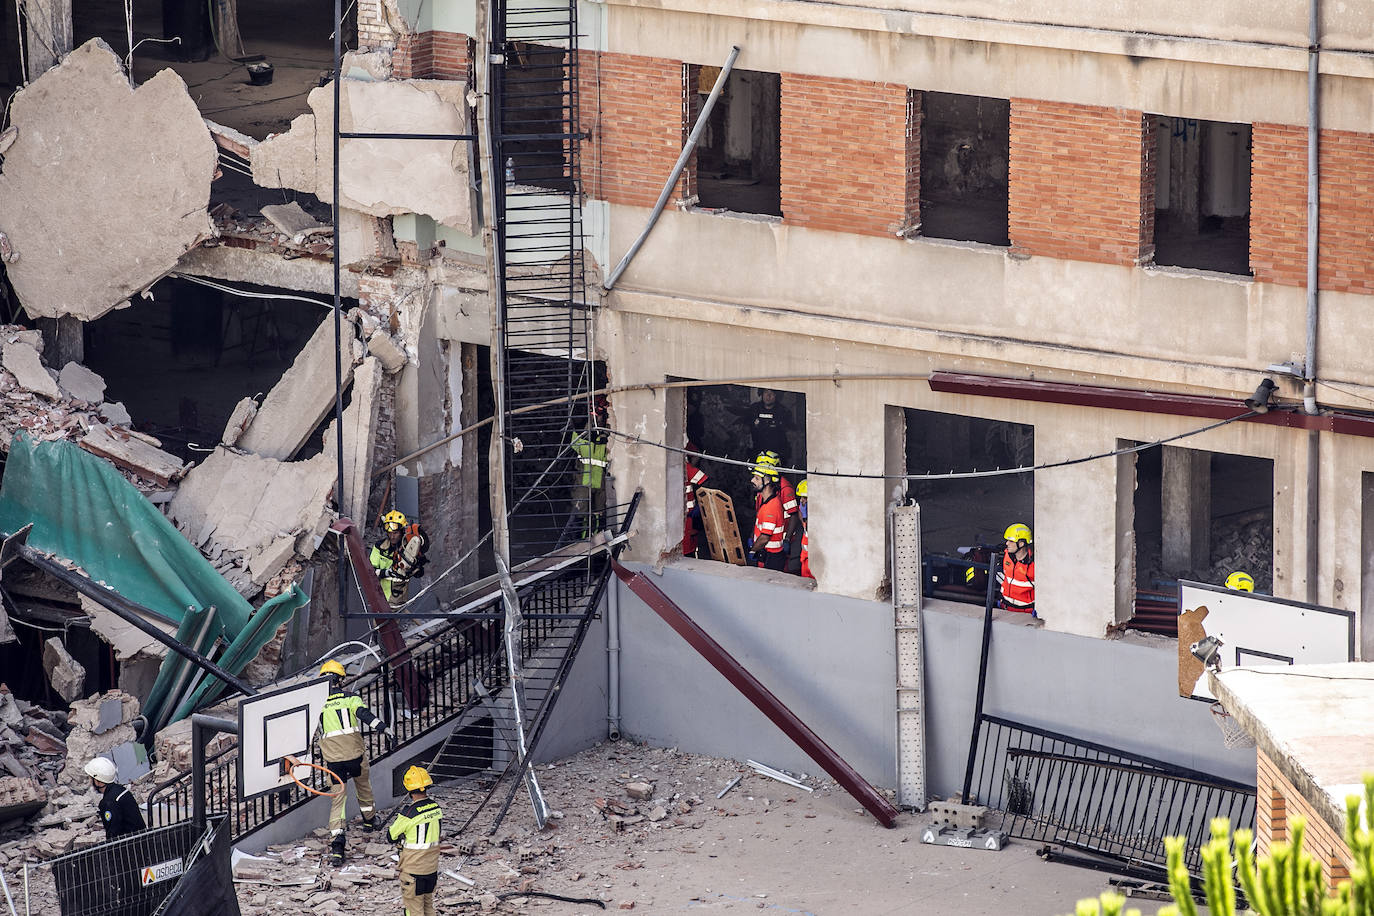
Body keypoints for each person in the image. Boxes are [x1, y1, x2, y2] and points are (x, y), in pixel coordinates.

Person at [316, 659, 390, 865]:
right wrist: (384, 728)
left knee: (338, 800)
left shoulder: (317, 704)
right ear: (340, 680)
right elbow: (364, 715)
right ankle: (369, 821)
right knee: (363, 786)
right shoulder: (351, 698)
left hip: (333, 761)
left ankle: (337, 847)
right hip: (355, 755)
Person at [388, 766, 443, 916]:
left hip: (413, 871)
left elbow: (391, 836)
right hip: (431, 868)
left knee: (414, 910)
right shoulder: (436, 808)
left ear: (409, 789)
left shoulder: (409, 813)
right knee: (428, 906)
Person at [568, 396, 610, 539]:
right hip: (583, 479)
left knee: (600, 515)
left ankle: (598, 548)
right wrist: (589, 429)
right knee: (580, 514)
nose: (596, 415)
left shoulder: (608, 429)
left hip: (601, 481)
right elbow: (575, 444)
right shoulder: (582, 426)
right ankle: (579, 546)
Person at [370, 510, 427, 608]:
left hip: (397, 597)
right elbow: (370, 571)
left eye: (395, 533)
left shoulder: (409, 550)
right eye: (389, 533)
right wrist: (387, 573)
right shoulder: (379, 547)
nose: (392, 536)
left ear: (402, 531)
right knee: (380, 622)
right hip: (379, 596)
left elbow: (419, 573)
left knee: (391, 622)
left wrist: (414, 567)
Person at [84, 756, 145, 840]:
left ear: (98, 781)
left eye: (91, 778)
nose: (90, 782)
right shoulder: (121, 790)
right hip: (141, 839)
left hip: (131, 846)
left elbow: (113, 833)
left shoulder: (108, 802)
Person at [735, 389, 794, 463]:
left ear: (776, 395)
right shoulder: (754, 409)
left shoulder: (783, 411)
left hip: (778, 454)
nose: (768, 396)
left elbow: (791, 434)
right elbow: (745, 429)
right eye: (766, 392)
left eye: (771, 393)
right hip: (758, 452)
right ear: (761, 394)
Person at [747, 463, 787, 571]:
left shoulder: (771, 507)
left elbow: (765, 538)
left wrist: (752, 551)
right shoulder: (767, 501)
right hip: (767, 556)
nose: (752, 481)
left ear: (767, 481)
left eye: (757, 478)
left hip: (771, 558)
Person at [998, 523, 1035, 615]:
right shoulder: (1007, 555)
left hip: (1025, 612)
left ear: (1021, 543)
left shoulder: (1035, 564)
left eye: (1011, 541)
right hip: (1005, 606)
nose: (1007, 543)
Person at [683, 441, 709, 558]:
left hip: (687, 516)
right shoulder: (687, 468)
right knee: (688, 549)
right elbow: (705, 481)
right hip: (688, 517)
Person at [796, 478, 813, 580]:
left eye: (805, 498)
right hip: (805, 561)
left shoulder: (817, 522)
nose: (802, 501)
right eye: (801, 498)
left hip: (813, 564)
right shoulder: (806, 520)